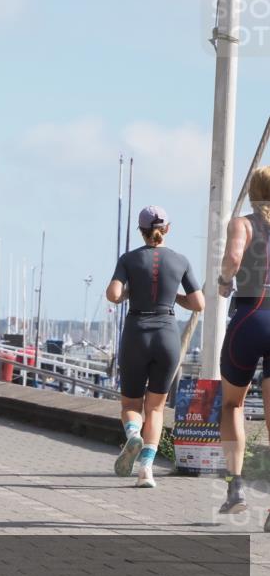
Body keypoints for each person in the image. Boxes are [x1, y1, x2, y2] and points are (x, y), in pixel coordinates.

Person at [107, 206, 204, 488]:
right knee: (156, 408)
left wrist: (130, 292)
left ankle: (133, 434)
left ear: (141, 231)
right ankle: (146, 470)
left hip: (137, 333)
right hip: (167, 335)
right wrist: (172, 296)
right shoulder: (180, 260)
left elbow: (113, 295)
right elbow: (198, 303)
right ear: (167, 229)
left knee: (131, 404)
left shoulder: (128, 259)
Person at [217, 166, 270, 514]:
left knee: (232, 405)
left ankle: (236, 487)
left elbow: (233, 258)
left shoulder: (243, 224)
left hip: (250, 317)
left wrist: (224, 281)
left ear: (252, 192)